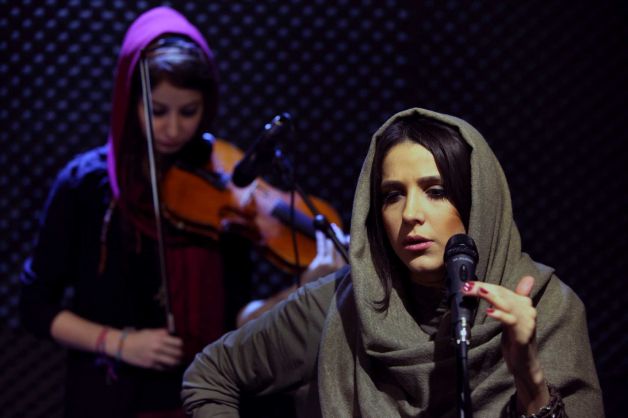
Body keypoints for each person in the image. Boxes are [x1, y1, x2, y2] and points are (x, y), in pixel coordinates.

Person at [19, 7, 344, 418]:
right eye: (157, 111)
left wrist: (301, 291)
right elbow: (34, 306)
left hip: (209, 399)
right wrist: (119, 343)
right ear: (129, 102)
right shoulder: (84, 184)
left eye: (188, 112)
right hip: (113, 396)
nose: (173, 129)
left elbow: (237, 320)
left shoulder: (224, 184)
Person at [181, 108, 604, 417]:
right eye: (392, 195)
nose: (410, 214)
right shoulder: (342, 305)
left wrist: (529, 379)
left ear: (479, 201)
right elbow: (210, 374)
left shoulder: (546, 307)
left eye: (436, 191)